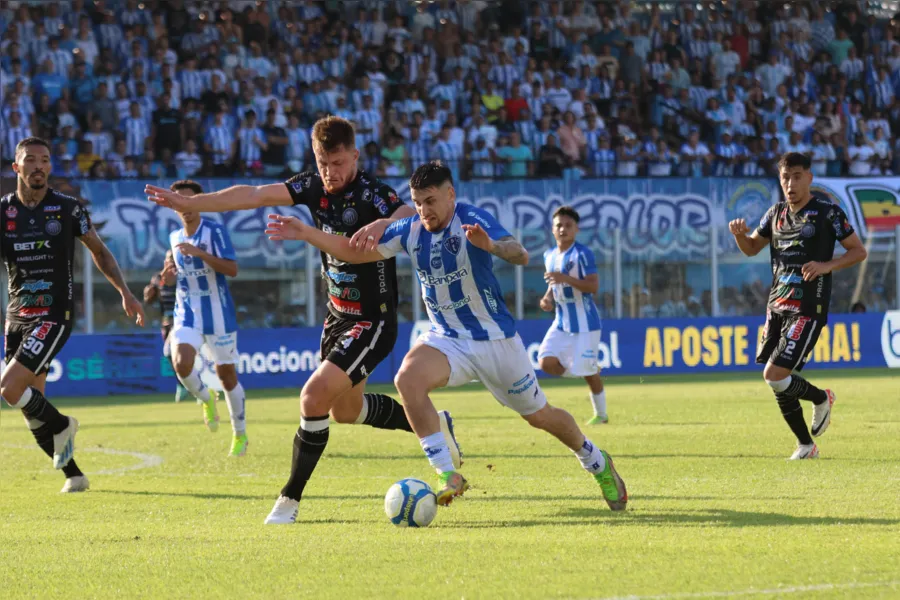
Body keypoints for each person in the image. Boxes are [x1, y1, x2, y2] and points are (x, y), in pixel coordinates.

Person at [146, 117, 462, 524]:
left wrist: (385, 222)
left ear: (355, 156)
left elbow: (410, 216)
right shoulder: (313, 186)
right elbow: (255, 194)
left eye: (337, 162)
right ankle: (435, 425)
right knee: (344, 411)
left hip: (373, 320)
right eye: (322, 162)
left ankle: (288, 501)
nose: (330, 172)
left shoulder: (373, 194)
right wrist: (193, 203)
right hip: (337, 318)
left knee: (312, 398)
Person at [265, 161, 628, 511]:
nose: (424, 210)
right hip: (447, 340)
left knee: (540, 416)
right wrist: (306, 232)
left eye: (431, 201)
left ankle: (596, 461)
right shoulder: (409, 229)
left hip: (496, 342)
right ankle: (447, 474)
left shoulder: (471, 218)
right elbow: (352, 253)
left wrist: (492, 246)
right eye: (418, 202)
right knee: (407, 379)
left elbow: (519, 253)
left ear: (450, 194)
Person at [0, 137, 145, 493]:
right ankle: (74, 476)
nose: (39, 166)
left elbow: (101, 252)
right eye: (30, 160)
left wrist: (125, 292)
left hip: (54, 313)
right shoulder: (3, 212)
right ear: (16, 168)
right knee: (29, 404)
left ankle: (64, 423)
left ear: (50, 167)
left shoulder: (67, 208)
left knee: (8, 387)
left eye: (45, 160)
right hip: (16, 315)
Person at [728, 152, 867, 459]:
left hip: (808, 307)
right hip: (776, 306)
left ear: (809, 178)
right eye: (785, 178)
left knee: (774, 374)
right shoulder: (774, 213)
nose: (790, 184)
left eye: (796, 177)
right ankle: (806, 444)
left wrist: (826, 265)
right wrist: (740, 236)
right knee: (777, 381)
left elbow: (858, 251)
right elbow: (751, 248)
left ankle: (820, 399)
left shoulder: (829, 213)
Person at [167, 180, 249, 457]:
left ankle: (240, 435)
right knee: (181, 363)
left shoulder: (214, 231)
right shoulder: (174, 238)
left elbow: (232, 269)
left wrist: (201, 253)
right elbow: (173, 273)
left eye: (191, 201)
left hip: (218, 313)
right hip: (187, 311)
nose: (186, 207)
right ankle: (206, 397)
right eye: (180, 202)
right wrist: (165, 276)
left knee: (226, 376)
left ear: (200, 202)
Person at [537, 206, 608, 424]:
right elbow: (553, 283)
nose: (563, 229)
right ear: (552, 229)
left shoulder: (582, 254)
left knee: (588, 374)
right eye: (559, 225)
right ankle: (583, 367)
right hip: (561, 321)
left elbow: (593, 286)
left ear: (576, 229)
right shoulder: (549, 255)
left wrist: (565, 279)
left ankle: (602, 415)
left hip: (586, 322)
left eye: (568, 225)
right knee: (545, 362)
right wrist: (547, 298)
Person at [144, 249, 188, 402]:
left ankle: (189, 385)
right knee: (174, 356)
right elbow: (149, 299)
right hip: (167, 324)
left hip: (184, 321)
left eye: (174, 260)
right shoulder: (158, 278)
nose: (171, 263)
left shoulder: (185, 276)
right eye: (169, 259)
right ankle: (186, 383)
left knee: (169, 351)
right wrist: (148, 294)